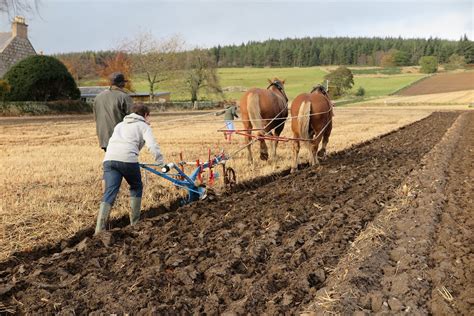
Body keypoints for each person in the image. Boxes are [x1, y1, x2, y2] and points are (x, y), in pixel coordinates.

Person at [95, 104, 164, 234]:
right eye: (150, 116)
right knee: (136, 186)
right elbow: (153, 146)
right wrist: (160, 162)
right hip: (127, 160)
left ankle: (99, 230)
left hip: (109, 160)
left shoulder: (119, 125)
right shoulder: (144, 126)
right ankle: (135, 225)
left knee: (110, 192)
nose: (150, 119)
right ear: (145, 115)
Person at [93, 72, 133, 151]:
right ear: (121, 83)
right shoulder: (124, 97)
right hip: (120, 136)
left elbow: (96, 116)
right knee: (122, 161)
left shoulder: (98, 97)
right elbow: (132, 117)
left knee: (110, 159)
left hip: (103, 136)